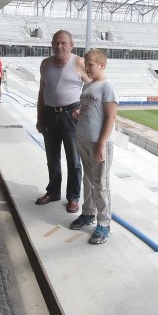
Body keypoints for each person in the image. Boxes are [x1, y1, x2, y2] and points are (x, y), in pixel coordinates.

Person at [35, 30, 90, 213]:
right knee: (52, 158)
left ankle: (73, 197)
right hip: (49, 115)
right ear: (52, 44)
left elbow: (92, 88)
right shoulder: (45, 64)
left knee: (74, 160)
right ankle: (53, 192)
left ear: (71, 45)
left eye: (63, 43)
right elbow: (42, 92)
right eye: (56, 43)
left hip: (70, 116)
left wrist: (82, 108)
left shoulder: (79, 62)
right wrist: (39, 117)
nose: (59, 46)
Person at [68, 49, 118, 245]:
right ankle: (88, 214)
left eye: (90, 64)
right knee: (87, 182)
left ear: (102, 65)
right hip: (83, 140)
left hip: (98, 143)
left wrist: (101, 144)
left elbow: (111, 117)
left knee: (101, 184)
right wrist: (80, 112)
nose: (86, 67)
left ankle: (104, 224)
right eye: (86, 64)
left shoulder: (108, 86)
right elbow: (92, 109)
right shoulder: (89, 86)